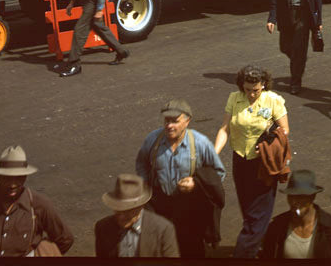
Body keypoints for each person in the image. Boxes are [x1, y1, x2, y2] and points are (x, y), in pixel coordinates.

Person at [135, 97, 226, 258]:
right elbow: (141, 163)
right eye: (166, 121)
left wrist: (196, 184)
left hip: (189, 208)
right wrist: (145, 185)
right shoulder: (152, 140)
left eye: (175, 121)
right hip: (159, 206)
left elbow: (219, 172)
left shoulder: (200, 143)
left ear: (187, 121)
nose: (169, 126)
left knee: (191, 249)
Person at [214, 64, 289, 259]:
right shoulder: (234, 98)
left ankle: (243, 254)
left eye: (255, 90)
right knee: (248, 209)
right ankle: (258, 247)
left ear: (263, 84)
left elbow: (284, 131)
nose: (252, 94)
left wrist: (267, 143)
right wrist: (214, 153)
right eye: (247, 89)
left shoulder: (273, 100)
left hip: (263, 162)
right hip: (240, 159)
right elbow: (224, 129)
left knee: (259, 212)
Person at [0, 145, 73, 256]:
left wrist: (45, 252)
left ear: (25, 177)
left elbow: (65, 239)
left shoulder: (39, 204)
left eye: (19, 178)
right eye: (7, 178)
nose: (13, 184)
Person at [267, 0, 323, 94]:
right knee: (285, 47)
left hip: (304, 16)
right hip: (286, 15)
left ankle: (295, 81)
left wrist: (319, 22)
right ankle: (299, 60)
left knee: (299, 49)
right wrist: (272, 18)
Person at [260, 168, 331, 260]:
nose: (294, 202)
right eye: (291, 196)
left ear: (312, 197)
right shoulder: (276, 227)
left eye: (301, 197)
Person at [94, 174, 179, 258]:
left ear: (141, 206)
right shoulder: (102, 228)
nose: (121, 217)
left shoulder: (164, 229)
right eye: (118, 210)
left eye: (128, 211)